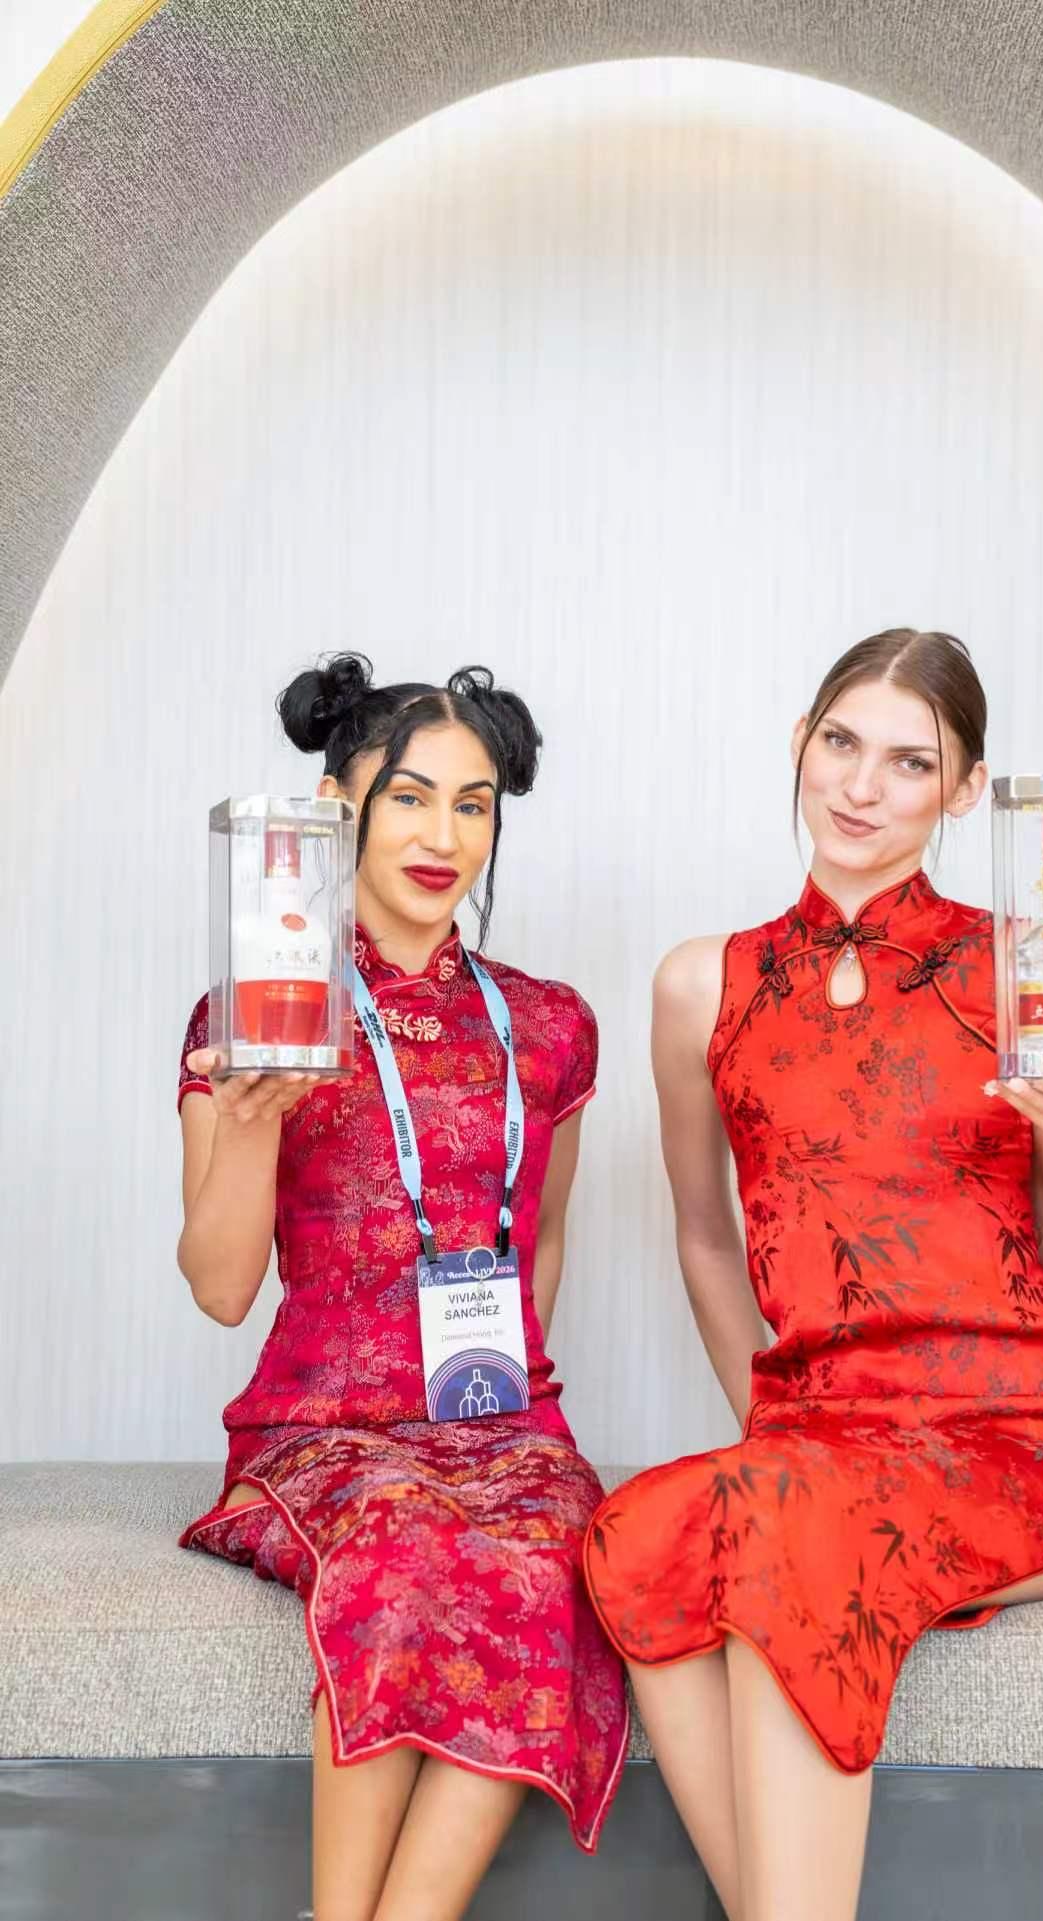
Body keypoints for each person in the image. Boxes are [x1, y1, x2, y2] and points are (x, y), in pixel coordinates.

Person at [583, 627, 1043, 1921]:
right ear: (800, 742)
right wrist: (775, 1429)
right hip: (832, 1443)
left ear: (963, 790)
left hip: (1038, 1432)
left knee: (785, 1531)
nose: (860, 786)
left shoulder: (1037, 969)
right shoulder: (701, 985)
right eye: (841, 742)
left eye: (910, 762)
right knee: (638, 1533)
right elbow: (703, 1234)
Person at [177, 655, 627, 1921]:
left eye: (472, 804)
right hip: (322, 1429)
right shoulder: (260, 1013)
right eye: (411, 797)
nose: (443, 835)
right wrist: (251, 1117)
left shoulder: (549, 1025)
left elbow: (541, 1239)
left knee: (556, 1565)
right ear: (339, 808)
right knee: (400, 1545)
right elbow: (219, 1286)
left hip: (503, 1427)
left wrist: (503, 1409)